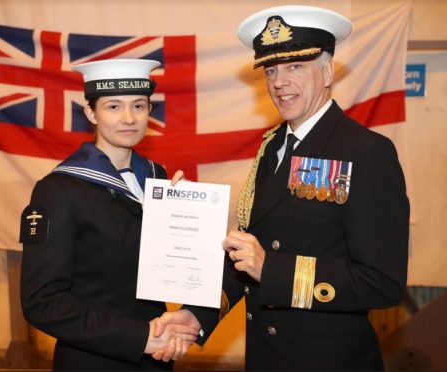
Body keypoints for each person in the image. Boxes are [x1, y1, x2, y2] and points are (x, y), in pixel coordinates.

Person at [155, 5, 410, 370]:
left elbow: (382, 282)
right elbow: (247, 257)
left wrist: (273, 270)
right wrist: (197, 317)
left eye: (295, 67)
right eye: (271, 69)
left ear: (326, 71)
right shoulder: (272, 147)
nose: (278, 82)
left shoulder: (365, 152)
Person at [19, 58, 199, 371]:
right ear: (91, 112)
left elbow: (167, 272)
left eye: (139, 106)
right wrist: (139, 337)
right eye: (113, 106)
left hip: (157, 359)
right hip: (93, 359)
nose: (129, 118)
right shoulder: (59, 190)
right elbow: (42, 302)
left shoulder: (159, 178)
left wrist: (187, 217)